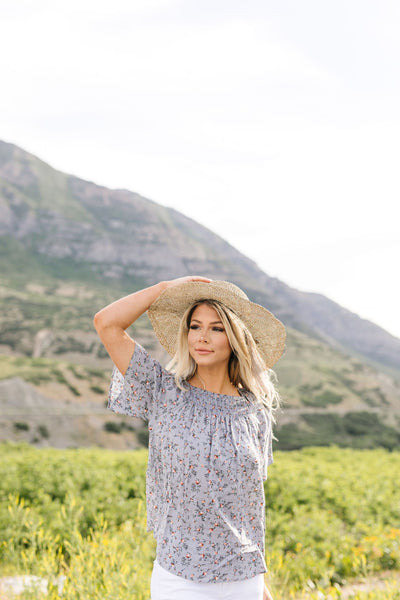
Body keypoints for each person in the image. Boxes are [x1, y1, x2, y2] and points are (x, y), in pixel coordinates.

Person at [94, 276, 286, 600]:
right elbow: (107, 323)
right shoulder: (163, 391)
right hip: (179, 580)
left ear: (235, 336)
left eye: (216, 328)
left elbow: (247, 506)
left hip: (244, 580)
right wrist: (163, 289)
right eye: (195, 326)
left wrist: (261, 589)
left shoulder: (255, 410)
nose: (203, 337)